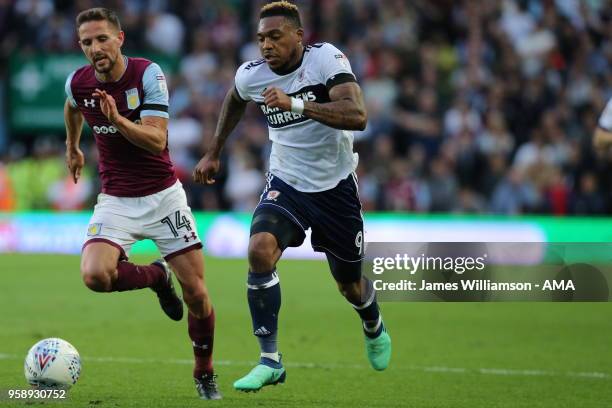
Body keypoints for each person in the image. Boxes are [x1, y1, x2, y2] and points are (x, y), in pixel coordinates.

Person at [193, 1, 391, 392]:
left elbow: (358, 115)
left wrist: (296, 103)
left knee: (349, 285)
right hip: (287, 182)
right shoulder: (252, 75)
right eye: (261, 38)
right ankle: (270, 359)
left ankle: (372, 322)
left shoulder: (325, 60)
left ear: (299, 36)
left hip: (335, 187)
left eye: (275, 36)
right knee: (259, 249)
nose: (266, 45)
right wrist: (214, 150)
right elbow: (234, 99)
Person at [64, 8, 220, 400]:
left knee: (198, 295)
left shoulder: (148, 74)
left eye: (102, 38)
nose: (95, 48)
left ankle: (204, 370)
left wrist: (117, 120)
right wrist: (72, 147)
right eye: (87, 42)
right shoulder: (78, 82)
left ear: (120, 39)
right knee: (95, 276)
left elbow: (156, 140)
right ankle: (156, 276)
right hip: (115, 200)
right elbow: (72, 106)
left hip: (163, 198)